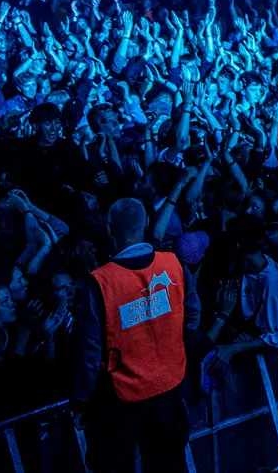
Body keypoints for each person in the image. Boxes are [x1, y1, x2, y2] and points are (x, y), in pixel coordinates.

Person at [71, 198, 198, 473]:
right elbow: (193, 315)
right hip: (168, 388)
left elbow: (89, 352)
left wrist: (81, 401)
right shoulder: (173, 264)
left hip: (121, 399)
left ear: (109, 228)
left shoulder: (100, 282)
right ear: (147, 224)